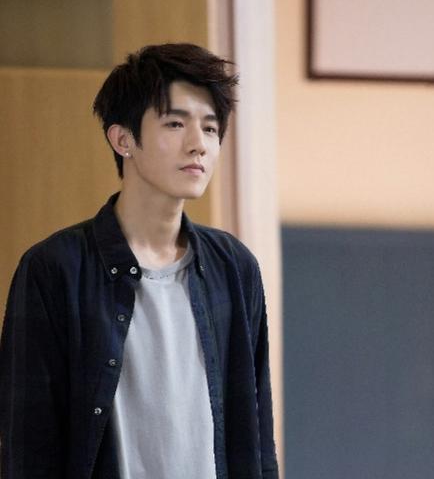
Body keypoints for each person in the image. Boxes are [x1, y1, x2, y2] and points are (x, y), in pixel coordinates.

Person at [0, 43, 279, 479]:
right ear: (123, 139)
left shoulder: (234, 268)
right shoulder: (55, 270)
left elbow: (256, 435)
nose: (198, 145)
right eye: (175, 123)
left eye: (210, 128)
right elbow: (28, 448)